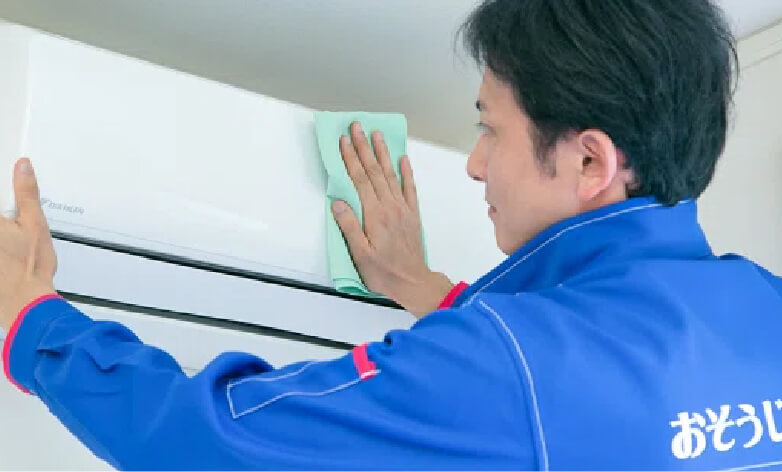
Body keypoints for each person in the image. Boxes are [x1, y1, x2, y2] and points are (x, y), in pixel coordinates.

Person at [2, 0, 780, 469]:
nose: (474, 164)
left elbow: (206, 441)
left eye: (489, 129)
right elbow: (573, 402)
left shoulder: (500, 363)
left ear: (589, 162)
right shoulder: (766, 306)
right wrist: (422, 287)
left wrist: (33, 322)